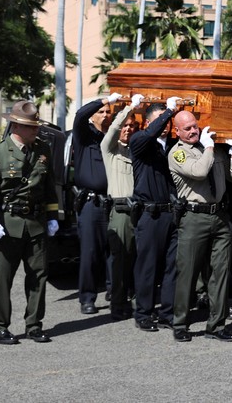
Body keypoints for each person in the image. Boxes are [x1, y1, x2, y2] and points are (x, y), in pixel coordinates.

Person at [0, 100, 58, 344]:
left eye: (36, 125)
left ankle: (34, 325)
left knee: (38, 277)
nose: (36, 130)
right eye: (31, 126)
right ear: (16, 126)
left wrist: (53, 217)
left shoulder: (43, 149)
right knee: (2, 279)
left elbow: (49, 187)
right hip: (6, 226)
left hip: (36, 224)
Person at [169, 111, 232, 342]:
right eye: (187, 128)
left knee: (220, 273)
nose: (193, 131)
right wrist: (209, 147)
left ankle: (216, 326)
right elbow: (199, 172)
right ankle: (180, 323)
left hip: (219, 216)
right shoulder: (178, 153)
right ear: (177, 131)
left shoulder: (212, 148)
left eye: (195, 126)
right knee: (188, 273)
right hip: (194, 218)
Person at [128, 98, 181, 332]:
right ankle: (143, 313)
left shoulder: (173, 145)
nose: (166, 124)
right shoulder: (139, 141)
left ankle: (167, 313)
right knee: (147, 267)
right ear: (148, 122)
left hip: (172, 213)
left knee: (173, 266)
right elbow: (151, 134)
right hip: (150, 215)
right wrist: (170, 111)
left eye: (168, 120)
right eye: (160, 120)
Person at [100, 94, 144, 320]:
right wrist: (129, 108)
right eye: (125, 126)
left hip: (140, 212)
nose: (128, 129)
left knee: (138, 259)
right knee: (119, 260)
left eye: (132, 126)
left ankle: (135, 299)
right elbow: (112, 131)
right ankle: (118, 303)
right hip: (120, 212)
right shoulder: (111, 150)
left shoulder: (139, 152)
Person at [72, 95, 115, 315]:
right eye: (101, 112)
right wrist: (104, 100)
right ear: (93, 116)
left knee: (114, 252)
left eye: (108, 112)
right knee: (90, 253)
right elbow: (80, 114)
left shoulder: (113, 137)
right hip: (92, 203)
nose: (105, 115)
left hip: (113, 202)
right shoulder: (84, 135)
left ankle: (114, 293)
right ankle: (87, 298)